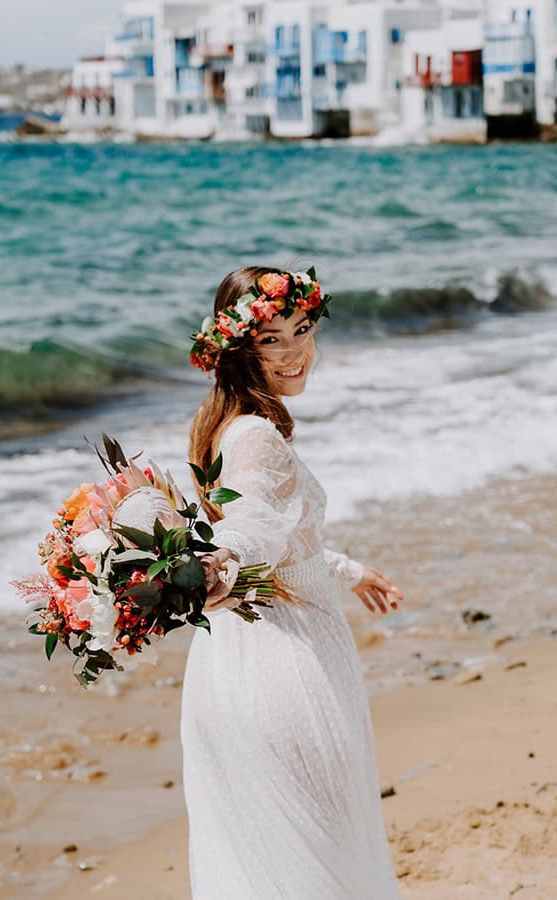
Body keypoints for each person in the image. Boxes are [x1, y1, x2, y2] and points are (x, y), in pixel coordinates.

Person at [182, 266, 404, 899]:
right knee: (321, 858)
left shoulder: (220, 424)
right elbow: (253, 528)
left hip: (233, 662)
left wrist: (349, 571)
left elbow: (280, 539)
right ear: (235, 348)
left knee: (273, 861)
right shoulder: (255, 436)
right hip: (287, 668)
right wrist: (222, 561)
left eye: (302, 329)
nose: (297, 350)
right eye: (271, 339)